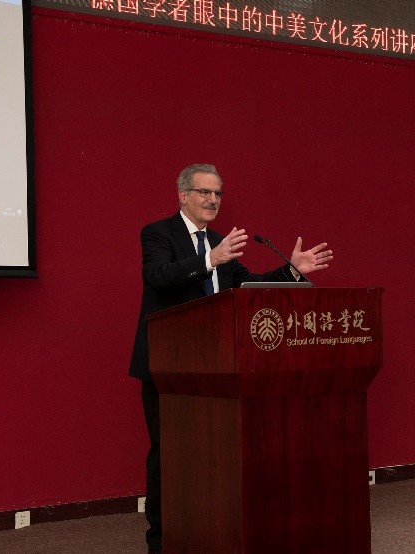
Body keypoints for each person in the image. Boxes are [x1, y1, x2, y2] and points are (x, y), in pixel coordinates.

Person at [128, 163, 333, 553]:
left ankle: (205, 533)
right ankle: (162, 541)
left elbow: (247, 285)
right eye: (204, 192)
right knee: (169, 456)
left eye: (218, 193)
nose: (213, 200)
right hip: (167, 369)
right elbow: (159, 276)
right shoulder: (158, 234)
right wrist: (210, 260)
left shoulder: (220, 242)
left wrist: (292, 271)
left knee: (209, 456)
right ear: (183, 195)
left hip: (215, 369)